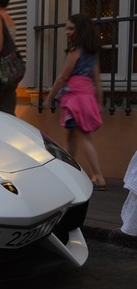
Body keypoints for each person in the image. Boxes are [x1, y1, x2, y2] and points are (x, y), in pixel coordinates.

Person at [45, 13, 106, 190]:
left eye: (71, 28)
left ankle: (98, 176)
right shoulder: (91, 52)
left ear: (80, 30)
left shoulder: (76, 51)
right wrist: (99, 102)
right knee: (71, 135)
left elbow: (63, 76)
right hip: (86, 97)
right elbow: (97, 80)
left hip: (75, 98)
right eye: (66, 28)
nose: (67, 32)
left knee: (83, 137)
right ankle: (68, 171)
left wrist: (50, 97)